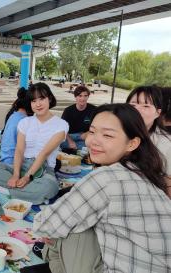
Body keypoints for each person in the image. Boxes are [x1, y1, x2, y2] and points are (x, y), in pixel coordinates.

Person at [32, 104, 171, 273]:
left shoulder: (105, 179)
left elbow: (46, 224)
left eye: (107, 135)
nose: (93, 141)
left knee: (69, 227)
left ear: (132, 143)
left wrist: (54, 229)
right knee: (77, 218)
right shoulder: (146, 172)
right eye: (92, 131)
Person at [0, 82, 68, 204]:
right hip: (23, 165)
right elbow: (19, 150)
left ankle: (6, 191)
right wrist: (16, 174)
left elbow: (44, 153)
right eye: (33, 101)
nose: (38, 104)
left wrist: (28, 177)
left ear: (49, 98)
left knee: (50, 187)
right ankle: (27, 193)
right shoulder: (25, 122)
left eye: (42, 99)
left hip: (44, 169)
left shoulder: (61, 125)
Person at [126, 86, 171, 197]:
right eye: (133, 105)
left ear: (158, 113)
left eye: (146, 106)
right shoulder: (116, 133)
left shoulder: (166, 143)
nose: (137, 109)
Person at [0, 87, 33, 164]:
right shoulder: (24, 121)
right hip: (13, 162)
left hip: (4, 157)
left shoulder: (13, 115)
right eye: (34, 101)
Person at [60, 85, 96, 150]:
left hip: (86, 136)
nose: (83, 98)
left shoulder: (94, 110)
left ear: (88, 97)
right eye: (80, 96)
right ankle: (81, 147)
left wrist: (90, 132)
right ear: (75, 97)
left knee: (91, 143)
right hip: (70, 136)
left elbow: (98, 126)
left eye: (85, 96)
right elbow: (62, 129)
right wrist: (71, 141)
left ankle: (78, 147)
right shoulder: (68, 110)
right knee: (58, 141)